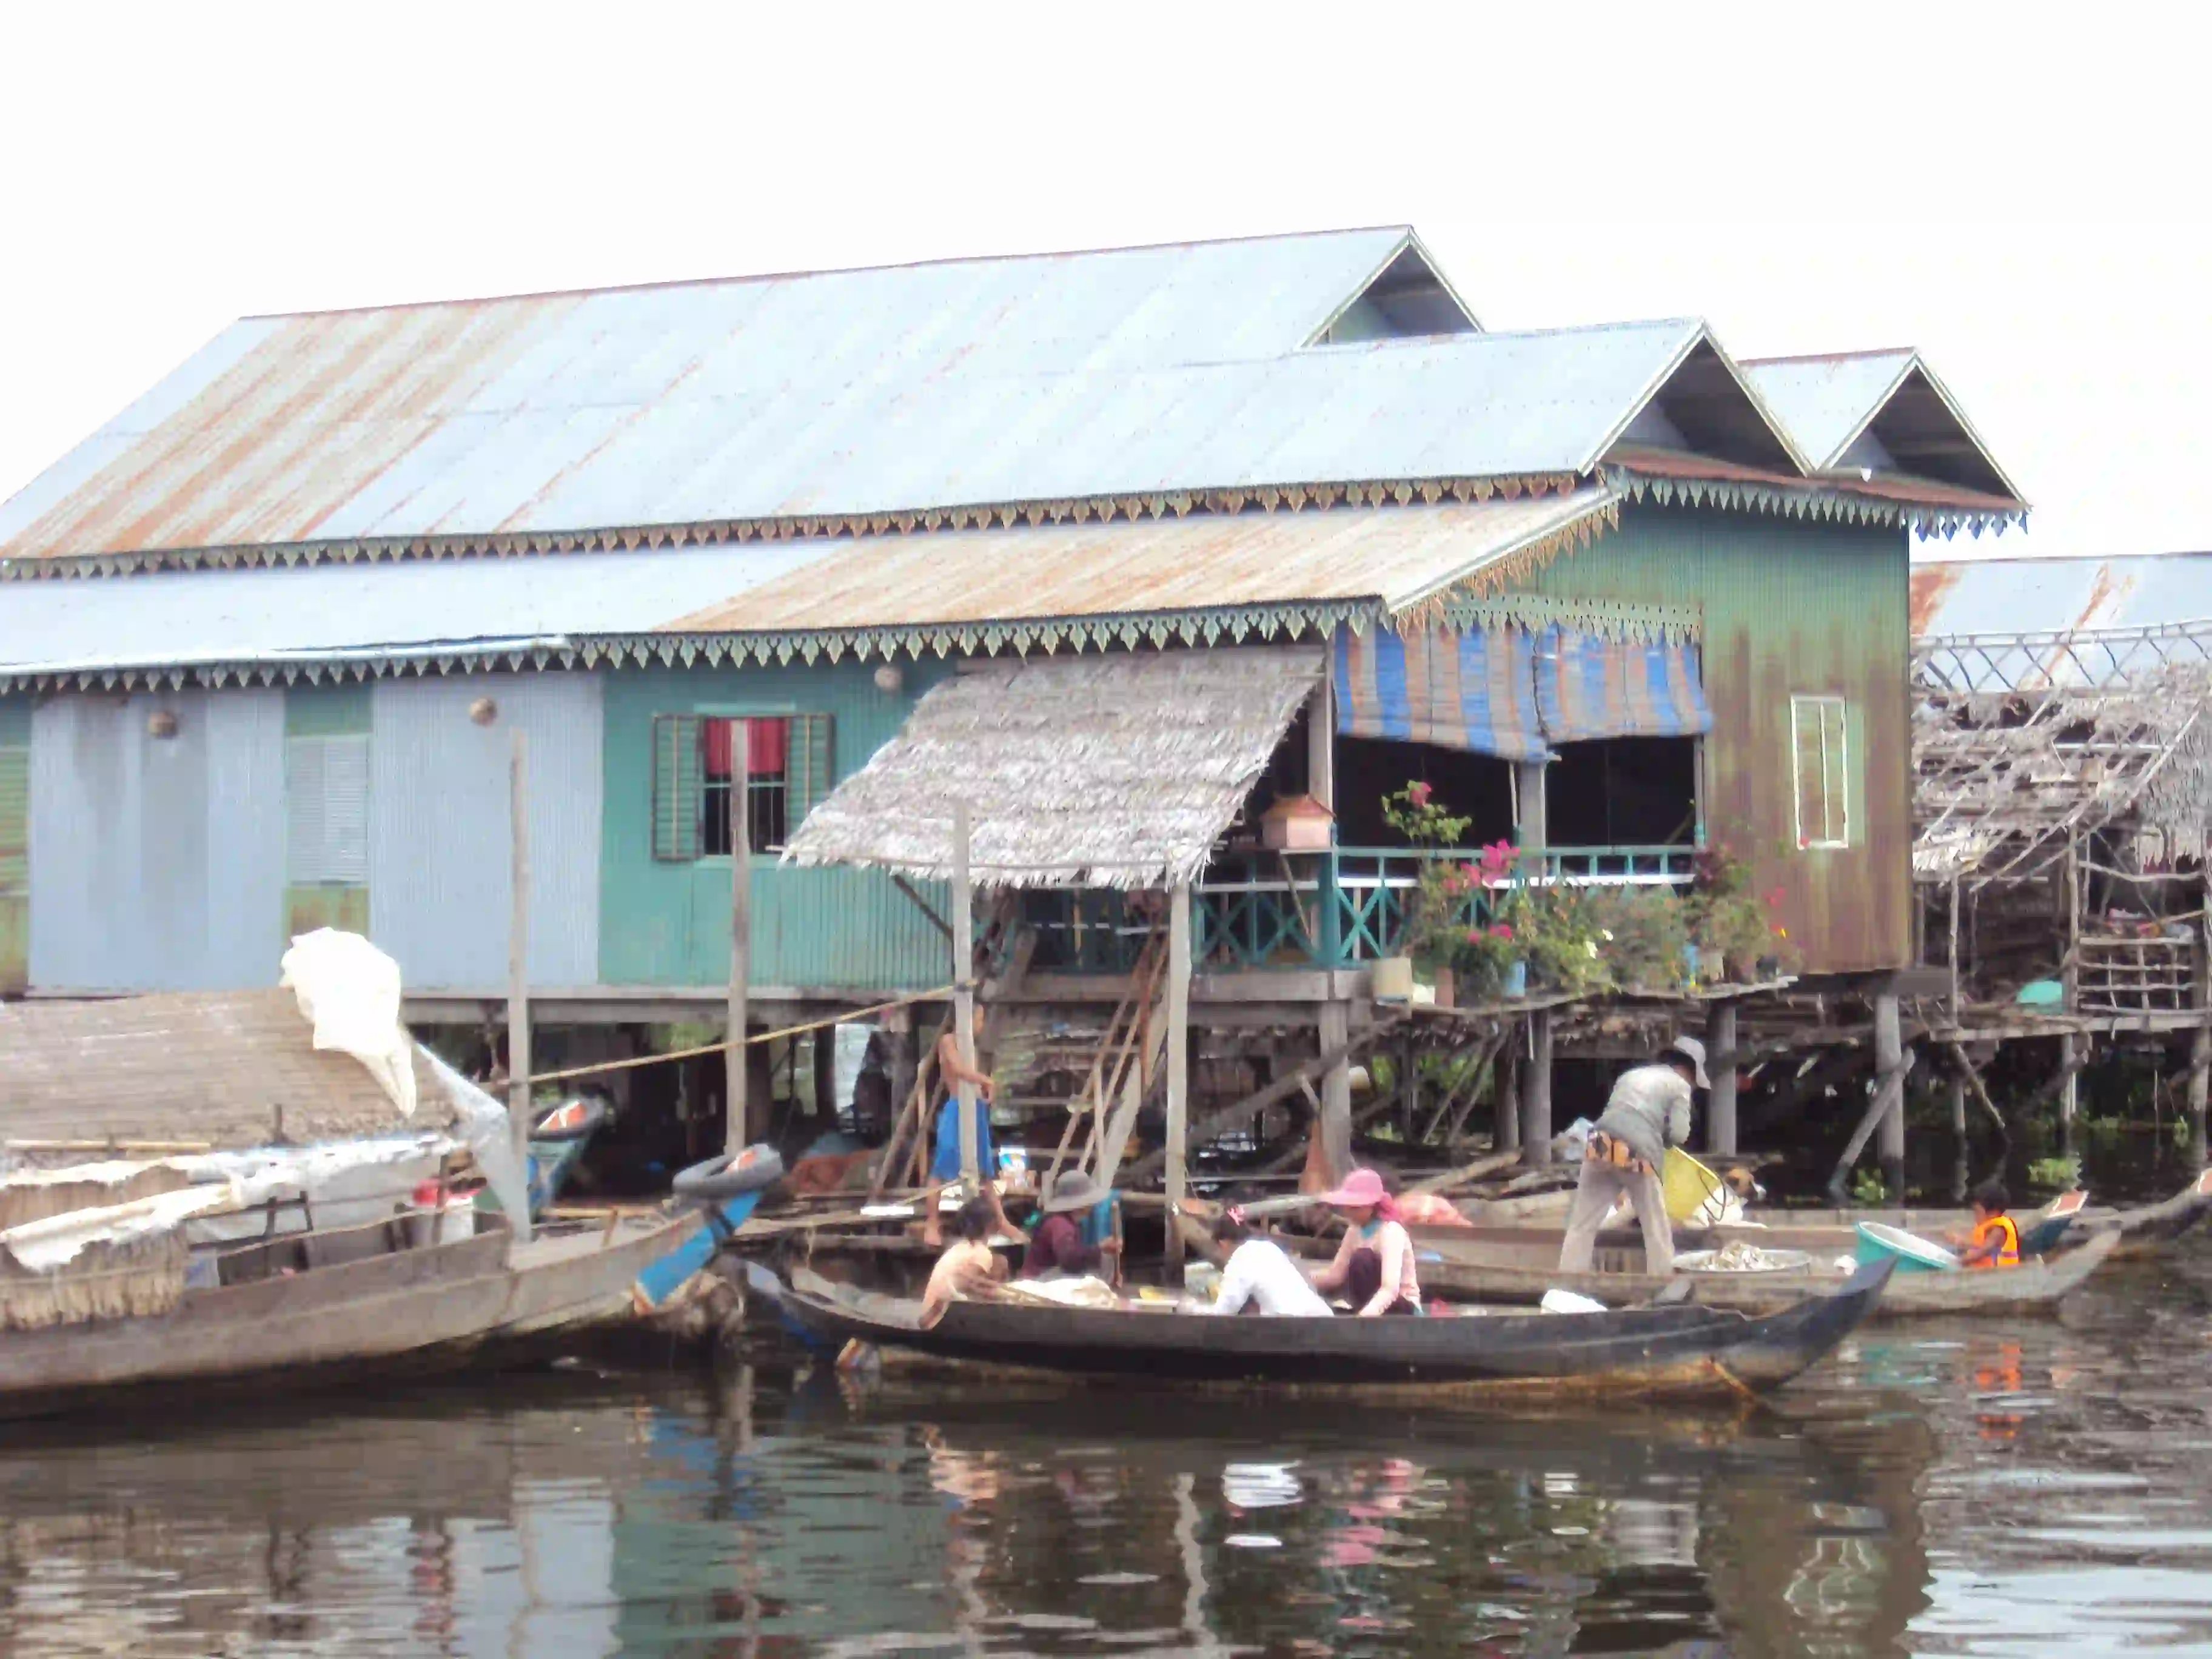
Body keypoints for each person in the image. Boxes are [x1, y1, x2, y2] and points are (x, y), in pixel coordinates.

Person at [1558, 1036, 1708, 1276]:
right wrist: (1664, 1139)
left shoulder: (1630, 1076)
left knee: (1581, 1224)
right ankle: (1663, 1283)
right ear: (1690, 1071)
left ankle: (1567, 1281)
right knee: (1656, 1227)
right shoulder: (1680, 1086)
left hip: (1600, 1142)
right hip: (1637, 1150)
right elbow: (1680, 1134)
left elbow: (1619, 1114)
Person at [921, 1006, 1014, 1248]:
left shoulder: (971, 1048)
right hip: (957, 1108)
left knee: (985, 1170)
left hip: (976, 1110)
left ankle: (1001, 1220)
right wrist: (985, 1080)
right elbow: (960, 1071)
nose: (981, 1023)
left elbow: (971, 1076)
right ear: (966, 1019)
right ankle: (932, 1222)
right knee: (942, 1165)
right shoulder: (948, 1041)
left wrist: (984, 1088)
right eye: (979, 1018)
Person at [1308, 1168, 1423, 1315]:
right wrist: (1301, 1278)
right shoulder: (1354, 1230)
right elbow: (1335, 1275)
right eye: (1348, 1206)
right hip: (1370, 1304)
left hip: (1401, 1308)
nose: (1349, 1212)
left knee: (1363, 1258)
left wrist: (1364, 1317)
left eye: (1356, 1207)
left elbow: (1390, 1289)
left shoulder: (1390, 1231)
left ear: (1372, 1206)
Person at [1201, 1208, 1333, 1316]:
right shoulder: (1268, 1247)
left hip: (1293, 1324)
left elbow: (1226, 1309)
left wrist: (1194, 1309)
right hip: (1321, 1315)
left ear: (1223, 1243)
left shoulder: (1239, 1260)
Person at [920, 1195, 1008, 1324]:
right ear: (991, 1224)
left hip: (927, 1311)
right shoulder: (982, 1254)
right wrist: (1002, 1296)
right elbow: (970, 1286)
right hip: (939, 1317)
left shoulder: (960, 1247)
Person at [1022, 1170, 1122, 1279]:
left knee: (1104, 1264)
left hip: (1047, 1276)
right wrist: (1100, 1248)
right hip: (1039, 1280)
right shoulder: (1060, 1224)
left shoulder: (1067, 1221)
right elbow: (1069, 1259)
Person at [1951, 1178, 2022, 1270]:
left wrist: (1954, 1262)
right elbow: (1977, 1245)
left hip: (2002, 1277)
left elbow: (1980, 1253)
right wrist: (1960, 1241)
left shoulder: (1998, 1231)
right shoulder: (1989, 1227)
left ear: (1993, 1212)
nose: (1975, 1216)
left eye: (1977, 1211)